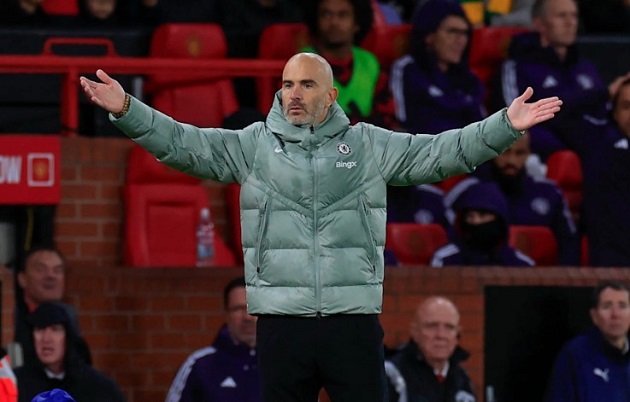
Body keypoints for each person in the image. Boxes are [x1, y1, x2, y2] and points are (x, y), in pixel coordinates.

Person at [79, 51, 561, 401]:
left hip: (352, 322)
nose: (294, 93)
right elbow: (183, 144)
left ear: (330, 95)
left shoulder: (368, 145)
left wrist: (505, 125)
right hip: (280, 324)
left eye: (307, 85)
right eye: (287, 84)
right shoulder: (253, 146)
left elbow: (442, 152)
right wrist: (127, 110)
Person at [491, 0, 609, 161]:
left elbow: (603, 113)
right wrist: (565, 150)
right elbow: (512, 119)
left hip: (595, 151)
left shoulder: (585, 67)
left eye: (574, 16)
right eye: (561, 16)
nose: (570, 23)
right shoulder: (517, 66)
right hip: (546, 156)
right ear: (539, 24)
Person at [444, 132, 580, 266]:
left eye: (519, 153)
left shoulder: (550, 192)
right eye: (505, 152)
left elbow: (569, 244)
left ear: (528, 154)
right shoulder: (467, 191)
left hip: (541, 276)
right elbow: (450, 242)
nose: (511, 161)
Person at [542, 76, 630, 266]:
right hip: (610, 262)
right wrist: (605, 93)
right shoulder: (597, 139)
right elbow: (556, 113)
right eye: (626, 106)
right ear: (614, 112)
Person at [390, 0, 485, 135]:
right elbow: (401, 124)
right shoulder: (407, 70)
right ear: (429, 36)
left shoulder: (469, 80)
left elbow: (483, 128)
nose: (461, 40)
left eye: (465, 33)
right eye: (452, 31)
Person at [166, 277, 260, 402]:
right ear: (226, 314)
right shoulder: (200, 365)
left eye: (254, 308)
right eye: (238, 308)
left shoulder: (283, 362)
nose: (247, 317)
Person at [303, 0, 395, 126]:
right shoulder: (301, 63)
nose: (334, 22)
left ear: (357, 23)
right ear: (316, 21)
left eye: (343, 15)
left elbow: (387, 118)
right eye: (326, 14)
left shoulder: (370, 63)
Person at [14, 302, 125, 402]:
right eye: (40, 329)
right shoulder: (16, 384)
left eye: (55, 329)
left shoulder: (100, 388)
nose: (46, 339)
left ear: (69, 336)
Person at [544, 281, 630, 402]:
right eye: (607, 306)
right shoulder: (575, 356)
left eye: (622, 306)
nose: (615, 315)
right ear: (594, 316)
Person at [385, 296, 476, 402]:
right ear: (415, 332)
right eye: (432, 326)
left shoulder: (462, 379)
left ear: (457, 335)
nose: (441, 335)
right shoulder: (391, 375)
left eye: (449, 327)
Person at [15, 246, 91, 368]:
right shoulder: (11, 321)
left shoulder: (69, 321)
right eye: (40, 269)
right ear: (22, 279)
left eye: (57, 270)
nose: (51, 276)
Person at [431, 181, 535, 267]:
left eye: (483, 215)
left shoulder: (522, 264)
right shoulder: (445, 260)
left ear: (499, 220)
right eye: (470, 216)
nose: (475, 221)